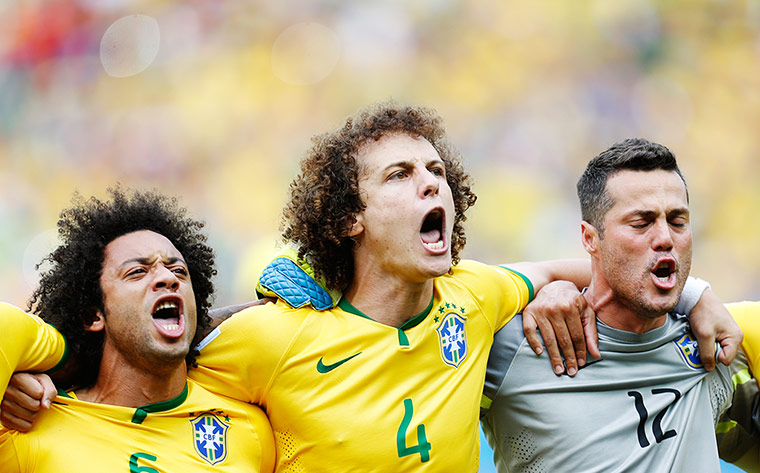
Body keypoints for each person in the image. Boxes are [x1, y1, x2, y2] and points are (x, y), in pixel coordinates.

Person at [1, 104, 742, 471]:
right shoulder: (271, 335)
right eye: (401, 175)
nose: (432, 185)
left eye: (437, 173)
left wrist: (694, 291)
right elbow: (151, 362)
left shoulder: (476, 295)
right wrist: (37, 381)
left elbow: (582, 264)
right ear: (349, 217)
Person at [479, 138, 758, 472]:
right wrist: (549, 280)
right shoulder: (516, 344)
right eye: (641, 222)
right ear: (589, 238)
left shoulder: (717, 347)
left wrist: (696, 294)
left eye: (678, 220)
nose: (666, 237)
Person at [0, 188, 275, 472]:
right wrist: (45, 360)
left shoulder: (250, 434)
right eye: (137, 272)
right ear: (93, 315)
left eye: (179, 271)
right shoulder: (27, 433)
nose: (167, 278)